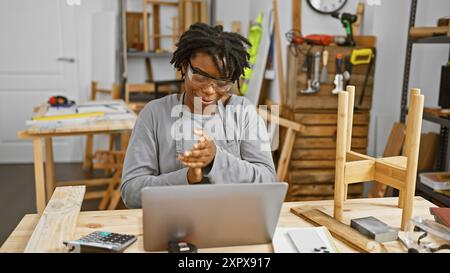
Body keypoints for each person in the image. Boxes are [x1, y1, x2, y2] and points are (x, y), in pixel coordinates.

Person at [120, 23, 276, 208]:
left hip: (232, 223)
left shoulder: (243, 112)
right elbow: (131, 192)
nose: (209, 90)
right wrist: (186, 177)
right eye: (200, 78)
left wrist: (216, 160)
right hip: (173, 225)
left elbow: (268, 181)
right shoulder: (154, 115)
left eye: (221, 83)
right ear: (185, 67)